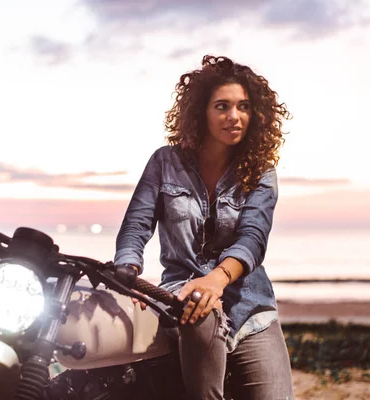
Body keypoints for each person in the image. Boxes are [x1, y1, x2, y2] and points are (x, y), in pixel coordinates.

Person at [114, 55, 295, 399]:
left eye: (243, 106)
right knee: (199, 306)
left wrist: (217, 279)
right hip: (182, 297)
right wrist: (128, 273)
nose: (234, 116)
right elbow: (136, 224)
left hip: (249, 306)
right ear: (202, 113)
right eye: (222, 106)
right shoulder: (165, 162)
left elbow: (253, 238)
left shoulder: (260, 171)